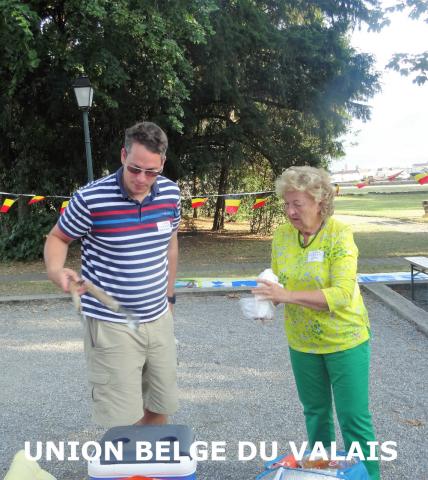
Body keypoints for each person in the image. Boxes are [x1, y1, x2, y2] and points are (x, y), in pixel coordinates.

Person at [44, 121, 180, 428]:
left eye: (151, 172)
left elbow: (171, 245)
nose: (141, 179)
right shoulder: (91, 198)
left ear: (162, 164)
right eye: (135, 169)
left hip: (159, 319)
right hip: (110, 324)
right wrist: (55, 271)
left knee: (159, 406)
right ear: (123, 155)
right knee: (122, 419)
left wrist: (170, 297)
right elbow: (58, 238)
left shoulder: (171, 194)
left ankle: (153, 461)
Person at [252, 166, 380, 479]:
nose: (290, 211)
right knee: (316, 415)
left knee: (354, 419)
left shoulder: (339, 233)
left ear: (320, 201)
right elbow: (279, 280)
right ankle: (321, 475)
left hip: (345, 339)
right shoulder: (282, 236)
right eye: (286, 204)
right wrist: (268, 300)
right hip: (302, 342)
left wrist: (286, 295)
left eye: (298, 204)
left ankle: (371, 476)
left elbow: (341, 294)